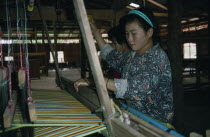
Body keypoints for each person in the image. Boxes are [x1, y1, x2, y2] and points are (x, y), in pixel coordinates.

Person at [74, 7, 173, 124]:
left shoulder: (157, 57)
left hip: (155, 125)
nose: (130, 39)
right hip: (135, 117)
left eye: (134, 33)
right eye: (127, 34)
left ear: (149, 32)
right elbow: (109, 54)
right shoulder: (132, 55)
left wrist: (95, 80)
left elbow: (136, 88)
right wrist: (95, 32)